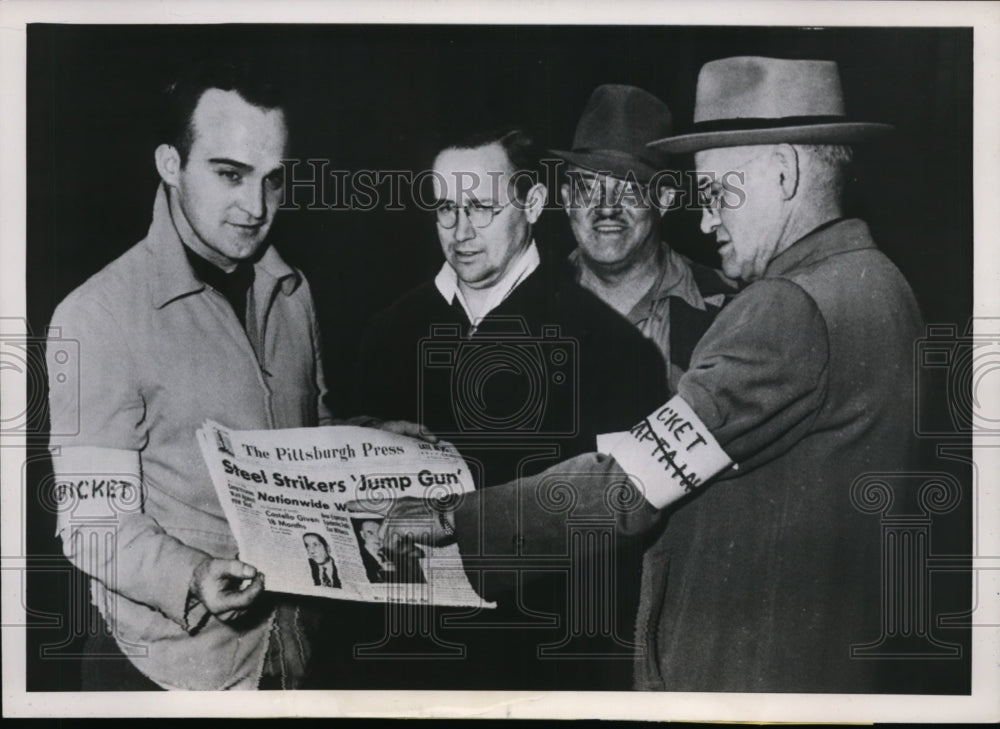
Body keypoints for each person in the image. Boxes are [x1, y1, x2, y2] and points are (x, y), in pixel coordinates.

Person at [378, 56, 924, 693]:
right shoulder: (884, 284)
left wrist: (452, 517)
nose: (708, 219)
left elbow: (634, 478)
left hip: (742, 678)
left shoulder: (786, 307)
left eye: (718, 194)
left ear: (783, 173)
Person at [45, 59, 426, 691]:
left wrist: (377, 442)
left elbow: (308, 437)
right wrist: (192, 575)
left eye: (273, 180)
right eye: (230, 175)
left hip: (293, 654)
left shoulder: (292, 292)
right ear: (171, 165)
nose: (256, 207)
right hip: (165, 672)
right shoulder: (98, 315)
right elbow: (91, 524)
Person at [354, 126, 669, 689]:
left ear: (533, 203)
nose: (460, 231)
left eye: (481, 207)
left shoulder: (612, 349)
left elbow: (619, 523)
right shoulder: (387, 332)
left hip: (539, 664)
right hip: (404, 661)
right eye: (445, 208)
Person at [551, 84, 735, 391]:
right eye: (588, 188)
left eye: (630, 188)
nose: (607, 207)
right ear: (567, 199)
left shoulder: (728, 309)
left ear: (663, 199)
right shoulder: (523, 302)